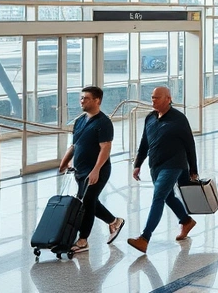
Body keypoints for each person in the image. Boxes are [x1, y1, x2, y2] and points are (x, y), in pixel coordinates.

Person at [127, 86, 199, 253]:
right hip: (156, 164)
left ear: (168, 98)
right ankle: (186, 221)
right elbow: (145, 143)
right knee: (168, 197)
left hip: (174, 164)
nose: (153, 101)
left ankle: (145, 238)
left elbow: (190, 144)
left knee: (158, 196)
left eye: (157, 98)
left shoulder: (179, 119)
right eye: (152, 97)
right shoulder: (150, 118)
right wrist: (137, 164)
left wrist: (193, 169)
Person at [57, 86, 125, 254]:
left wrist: (96, 170)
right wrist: (64, 163)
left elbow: (105, 148)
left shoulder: (103, 122)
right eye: (81, 98)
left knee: (87, 202)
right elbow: (74, 145)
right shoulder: (80, 120)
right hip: (80, 171)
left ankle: (83, 240)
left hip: (98, 171)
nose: (82, 101)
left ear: (97, 100)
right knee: (89, 201)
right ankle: (114, 221)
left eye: (86, 98)